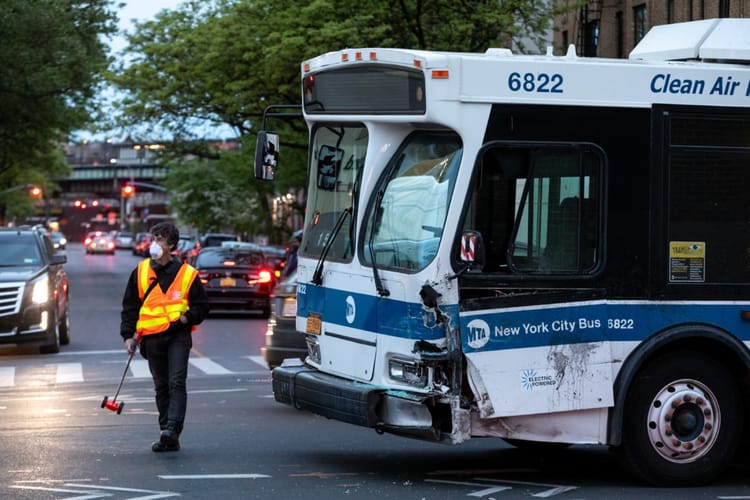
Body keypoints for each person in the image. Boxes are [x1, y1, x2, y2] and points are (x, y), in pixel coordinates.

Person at [120, 222, 209, 452]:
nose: (155, 243)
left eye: (160, 239)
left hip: (177, 335)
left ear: (171, 246)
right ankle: (166, 434)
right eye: (154, 238)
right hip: (151, 339)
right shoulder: (140, 272)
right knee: (161, 385)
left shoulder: (187, 274)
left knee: (176, 381)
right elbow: (130, 306)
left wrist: (186, 319)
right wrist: (128, 336)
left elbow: (202, 306)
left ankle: (172, 429)